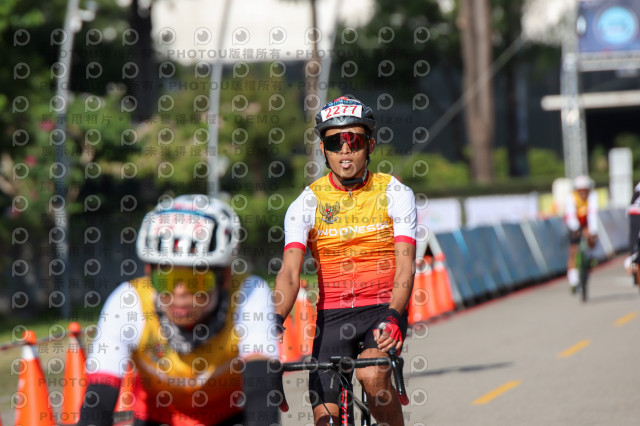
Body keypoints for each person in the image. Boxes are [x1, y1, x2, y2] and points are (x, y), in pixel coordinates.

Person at [274, 95, 417, 426]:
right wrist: (274, 319)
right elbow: (290, 273)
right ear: (323, 150)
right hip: (332, 318)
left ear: (370, 145)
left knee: (372, 375)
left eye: (354, 141)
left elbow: (406, 265)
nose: (345, 150)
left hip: (382, 309)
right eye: (334, 142)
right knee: (325, 419)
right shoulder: (306, 202)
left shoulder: (394, 192)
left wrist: (395, 314)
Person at [78, 194, 280, 426]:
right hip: (157, 418)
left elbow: (261, 393)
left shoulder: (249, 294)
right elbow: (98, 402)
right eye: (166, 279)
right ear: (148, 273)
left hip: (229, 417)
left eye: (196, 280)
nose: (180, 293)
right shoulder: (127, 302)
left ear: (224, 277)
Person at [564, 175, 598, 293]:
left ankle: (591, 256)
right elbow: (570, 216)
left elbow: (593, 214)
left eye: (585, 191)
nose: (583, 193)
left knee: (592, 239)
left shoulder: (592, 196)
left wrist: (592, 231)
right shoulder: (571, 198)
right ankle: (573, 280)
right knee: (573, 250)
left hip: (586, 222)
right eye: (581, 191)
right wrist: (577, 230)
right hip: (574, 224)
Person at [624, 181, 640, 283]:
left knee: (635, 242)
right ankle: (633, 261)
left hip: (633, 211)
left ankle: (633, 258)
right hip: (636, 212)